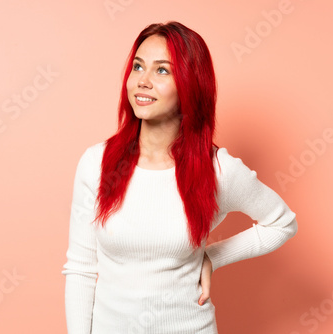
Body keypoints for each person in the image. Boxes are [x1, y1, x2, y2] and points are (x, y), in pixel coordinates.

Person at [62, 21, 298, 334]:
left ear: (190, 84)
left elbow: (282, 224)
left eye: (162, 71)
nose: (142, 81)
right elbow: (80, 268)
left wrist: (213, 256)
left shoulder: (218, 171)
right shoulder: (97, 163)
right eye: (138, 66)